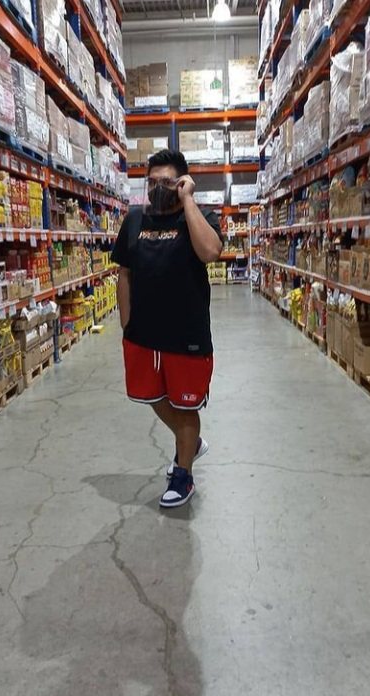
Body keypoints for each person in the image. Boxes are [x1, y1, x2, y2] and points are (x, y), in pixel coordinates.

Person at [111, 149, 223, 509]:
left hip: (186, 336)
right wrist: (126, 324)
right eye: (152, 182)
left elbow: (210, 252)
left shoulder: (200, 217)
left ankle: (183, 473)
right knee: (153, 398)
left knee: (185, 406)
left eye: (166, 182)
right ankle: (190, 441)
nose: (158, 188)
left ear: (182, 183)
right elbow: (124, 274)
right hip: (143, 336)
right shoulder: (134, 221)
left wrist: (187, 201)